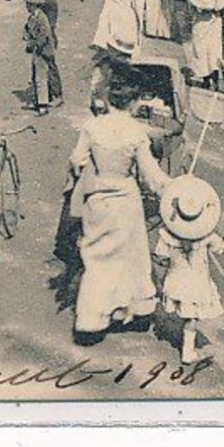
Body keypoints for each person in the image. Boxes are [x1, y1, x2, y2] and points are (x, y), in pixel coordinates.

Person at [64, 82, 169, 345]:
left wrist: (82, 173)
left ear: (108, 101)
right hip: (126, 202)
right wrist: (172, 188)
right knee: (131, 257)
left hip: (97, 199)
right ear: (134, 104)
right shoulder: (136, 133)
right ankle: (134, 310)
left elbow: (77, 159)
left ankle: (90, 319)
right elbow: (151, 175)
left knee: (97, 257)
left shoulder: (92, 127)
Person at [154, 175, 224, 365]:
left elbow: (161, 255)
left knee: (184, 309)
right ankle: (188, 352)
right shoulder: (206, 235)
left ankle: (185, 346)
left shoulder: (167, 233)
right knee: (192, 318)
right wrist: (222, 240)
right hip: (197, 283)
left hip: (176, 280)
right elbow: (219, 248)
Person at [185, 0, 224, 90]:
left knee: (214, 51)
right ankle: (205, 80)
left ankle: (216, 81)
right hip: (201, 23)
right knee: (202, 51)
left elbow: (221, 4)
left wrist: (213, 1)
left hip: (215, 22)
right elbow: (208, 5)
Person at [22, 0, 61, 115]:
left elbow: (43, 36)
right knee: (36, 76)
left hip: (43, 51)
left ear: (34, 5)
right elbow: (27, 29)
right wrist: (26, 36)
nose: (26, 7)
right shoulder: (33, 17)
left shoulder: (42, 18)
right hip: (37, 51)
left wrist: (32, 44)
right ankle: (40, 100)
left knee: (41, 78)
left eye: (28, 4)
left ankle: (43, 106)